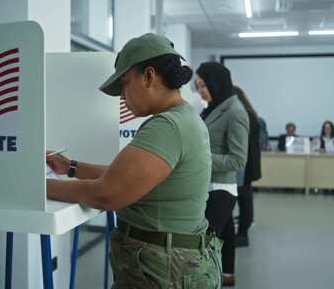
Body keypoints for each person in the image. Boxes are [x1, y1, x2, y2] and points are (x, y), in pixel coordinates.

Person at [46, 33, 222, 288]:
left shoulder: (168, 126)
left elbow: (107, 194)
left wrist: (38, 186)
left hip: (164, 269)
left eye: (125, 84)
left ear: (149, 76)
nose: (122, 97)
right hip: (173, 264)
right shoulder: (182, 118)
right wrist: (70, 167)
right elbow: (125, 177)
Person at [195, 62, 249, 287]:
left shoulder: (235, 112)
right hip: (208, 184)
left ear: (217, 83)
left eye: (203, 85)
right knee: (226, 233)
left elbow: (238, 160)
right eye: (197, 86)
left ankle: (205, 280)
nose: (201, 91)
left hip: (220, 188)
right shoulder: (213, 106)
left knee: (205, 242)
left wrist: (201, 158)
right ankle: (227, 275)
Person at [233, 86, 262, 248]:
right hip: (248, 165)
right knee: (245, 198)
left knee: (244, 199)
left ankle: (243, 234)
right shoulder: (250, 113)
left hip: (244, 166)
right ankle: (244, 226)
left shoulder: (244, 114)